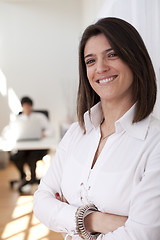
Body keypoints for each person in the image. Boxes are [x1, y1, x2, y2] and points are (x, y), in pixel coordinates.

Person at [33, 17, 160, 240]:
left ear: (135, 60)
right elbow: (41, 201)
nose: (100, 68)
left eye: (112, 55)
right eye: (90, 61)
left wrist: (68, 220)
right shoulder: (76, 132)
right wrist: (93, 220)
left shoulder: (155, 141)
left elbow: (142, 234)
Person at [9, 96, 53, 189]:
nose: (27, 108)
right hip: (24, 147)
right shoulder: (18, 119)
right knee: (15, 157)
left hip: (37, 147)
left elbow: (51, 130)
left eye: (29, 106)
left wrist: (43, 134)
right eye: (25, 106)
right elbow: (9, 131)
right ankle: (23, 176)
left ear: (31, 106)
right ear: (22, 107)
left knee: (32, 158)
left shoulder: (40, 117)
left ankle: (32, 181)